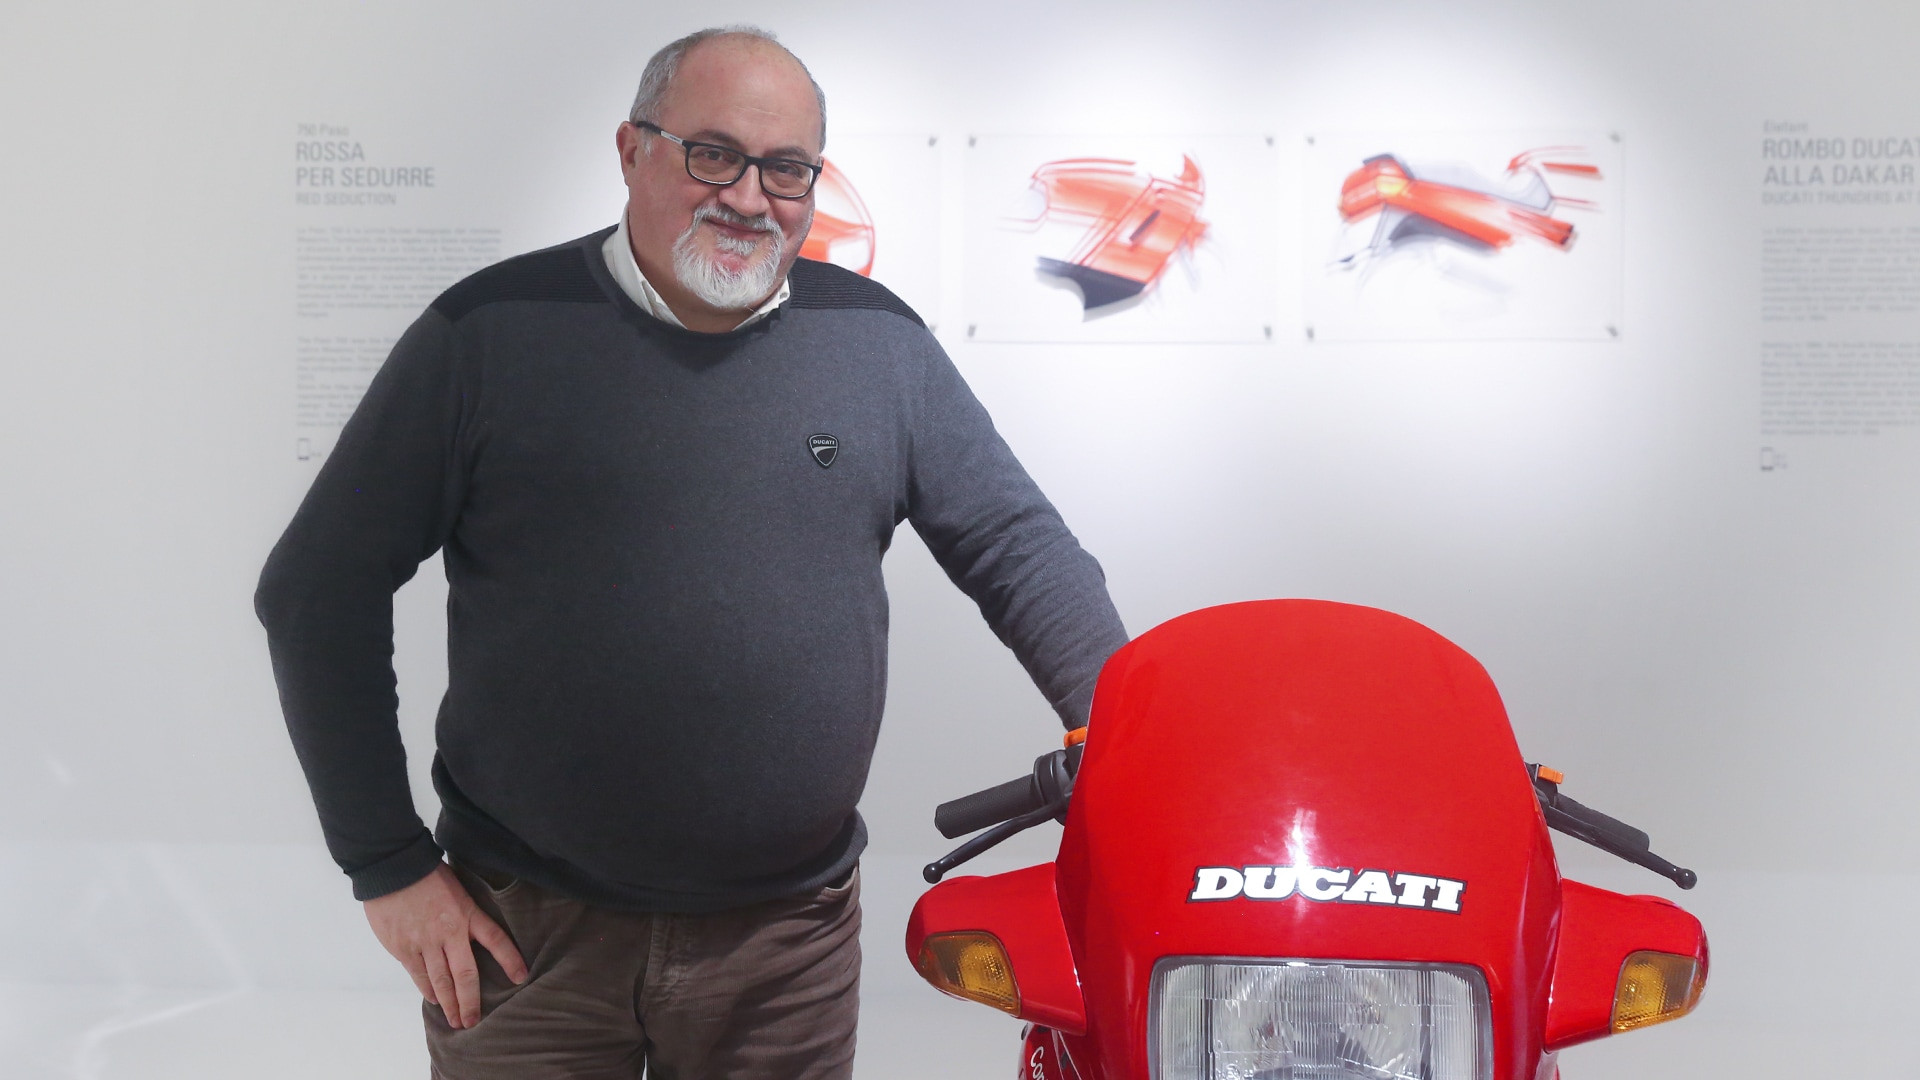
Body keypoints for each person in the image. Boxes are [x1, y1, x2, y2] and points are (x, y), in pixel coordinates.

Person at [255, 24, 1128, 1080]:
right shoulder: (489, 334)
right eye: (713, 154)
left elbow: (1016, 548)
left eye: (787, 169)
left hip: (784, 948)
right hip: (525, 941)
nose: (750, 197)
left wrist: (1125, 732)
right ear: (633, 151)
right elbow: (316, 590)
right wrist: (386, 864)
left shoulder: (877, 345)